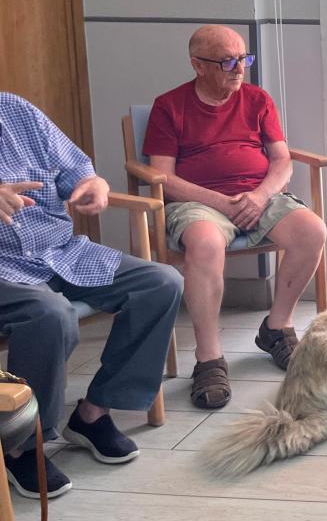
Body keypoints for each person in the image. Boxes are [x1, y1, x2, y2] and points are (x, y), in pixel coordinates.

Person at [0, 92, 182, 498]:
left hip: (59, 251)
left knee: (161, 282)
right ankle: (21, 445)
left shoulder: (14, 109)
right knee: (50, 313)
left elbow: (77, 169)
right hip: (4, 269)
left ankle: (93, 412)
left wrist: (93, 185)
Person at [144, 25, 327, 409]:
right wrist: (221, 202)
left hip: (258, 195)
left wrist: (259, 196)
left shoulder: (257, 99)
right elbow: (163, 177)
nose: (240, 68)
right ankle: (209, 358)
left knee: (312, 230)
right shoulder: (169, 106)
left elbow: (282, 160)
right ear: (198, 65)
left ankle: (276, 328)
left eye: (244, 58)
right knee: (205, 244)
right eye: (228, 61)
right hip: (198, 202)